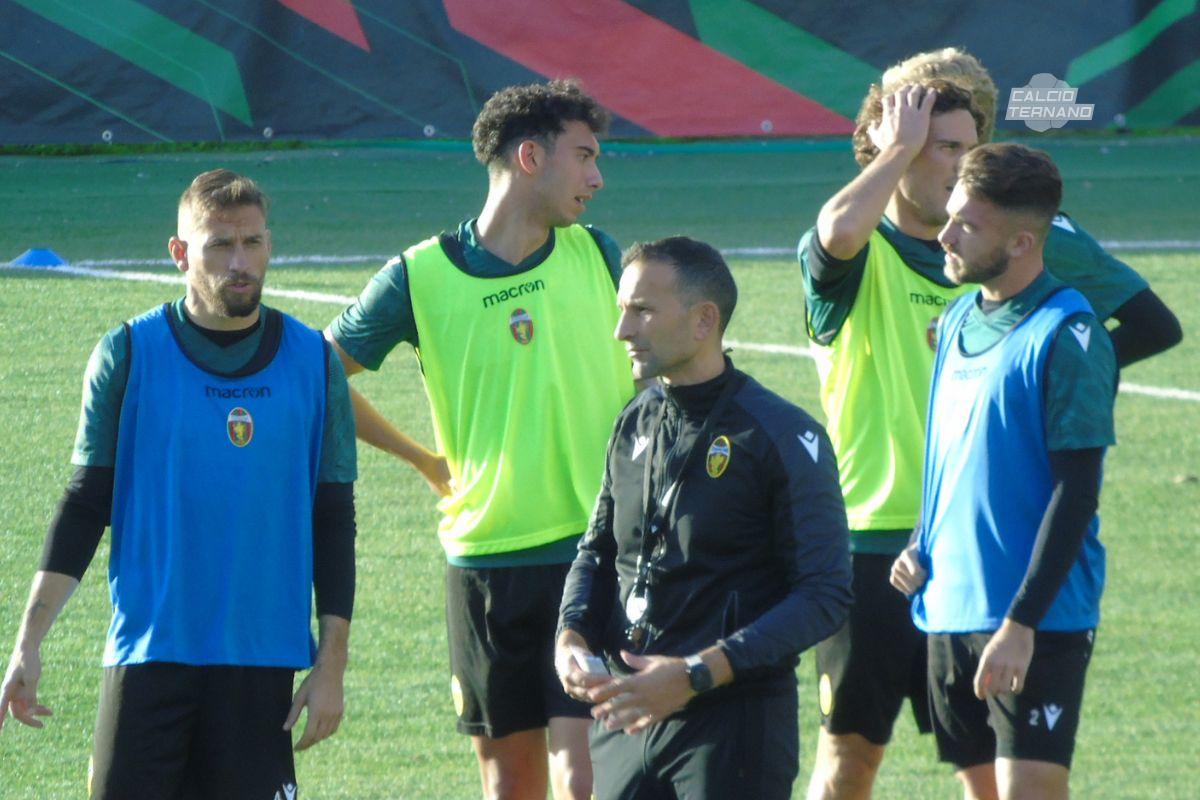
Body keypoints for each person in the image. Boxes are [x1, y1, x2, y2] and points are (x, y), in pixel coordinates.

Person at [802, 49, 1181, 800]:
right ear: (889, 144)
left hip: (993, 550)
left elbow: (1150, 323)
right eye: (938, 145)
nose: (956, 162)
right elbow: (837, 231)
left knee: (994, 775)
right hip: (876, 546)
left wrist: (1055, 386)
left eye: (965, 146)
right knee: (848, 760)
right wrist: (898, 150)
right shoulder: (862, 249)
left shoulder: (1026, 246)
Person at [0, 169, 358, 800]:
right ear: (180, 253)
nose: (240, 263)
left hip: (261, 660)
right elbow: (85, 505)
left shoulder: (313, 361)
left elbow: (333, 520)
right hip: (149, 652)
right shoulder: (128, 353)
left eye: (253, 243)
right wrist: (27, 643)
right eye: (220, 245)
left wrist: (331, 666)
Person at [325, 80, 634, 800]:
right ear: (530, 156)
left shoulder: (599, 254)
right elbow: (317, 374)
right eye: (584, 156)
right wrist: (421, 459)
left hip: (595, 555)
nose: (597, 177)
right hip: (486, 562)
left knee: (586, 778)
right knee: (507, 785)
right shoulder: (418, 276)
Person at [556, 236, 852, 800]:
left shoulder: (782, 436)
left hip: (731, 726)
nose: (623, 330)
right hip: (627, 716)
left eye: (641, 310)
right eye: (623, 310)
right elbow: (596, 551)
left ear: (703, 321)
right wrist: (570, 635)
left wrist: (697, 673)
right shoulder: (635, 420)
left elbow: (825, 594)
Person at [891, 142, 1115, 800]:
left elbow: (1077, 491)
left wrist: (1023, 623)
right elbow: (953, 451)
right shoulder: (959, 315)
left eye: (967, 225)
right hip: (947, 605)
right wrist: (920, 541)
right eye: (951, 215)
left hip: (1031, 621)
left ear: (1021, 242)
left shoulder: (1066, 334)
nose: (946, 235)